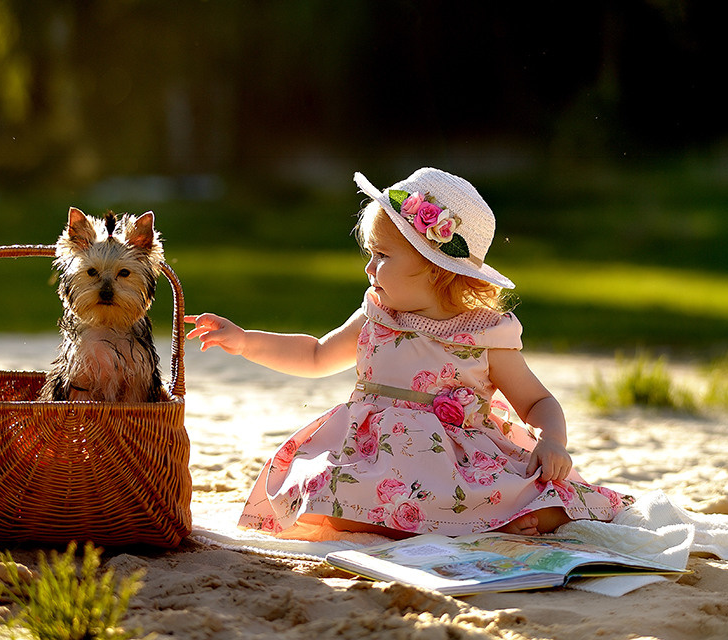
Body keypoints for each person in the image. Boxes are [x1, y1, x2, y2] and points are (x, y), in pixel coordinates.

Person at [185, 167, 633, 539]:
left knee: (534, 493)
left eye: (382, 255)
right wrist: (245, 340)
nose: (368, 267)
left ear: (437, 269)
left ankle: (483, 522)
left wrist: (552, 440)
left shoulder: (484, 334)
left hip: (456, 465)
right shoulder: (377, 315)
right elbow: (317, 354)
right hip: (374, 456)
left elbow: (537, 402)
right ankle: (446, 526)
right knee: (325, 493)